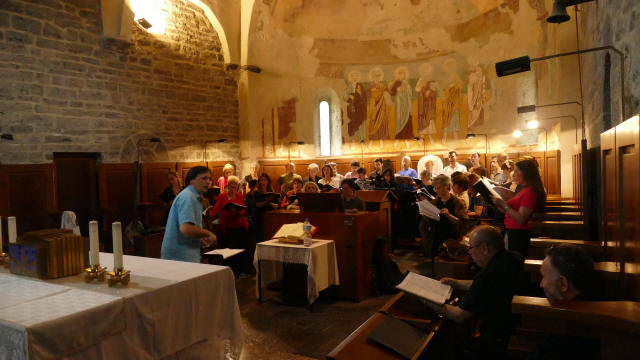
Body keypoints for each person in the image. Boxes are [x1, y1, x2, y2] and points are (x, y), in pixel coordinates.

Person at [426, 225, 524, 359]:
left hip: (499, 337)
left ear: (485, 248)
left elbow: (458, 315)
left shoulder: (489, 275)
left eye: (470, 248)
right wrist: (456, 283)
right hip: (514, 323)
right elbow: (484, 285)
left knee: (454, 349)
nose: (469, 253)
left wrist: (425, 298)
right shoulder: (512, 257)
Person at [529, 244, 598, 360]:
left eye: (544, 277)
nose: (541, 284)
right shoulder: (593, 302)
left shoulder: (566, 332)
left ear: (563, 284)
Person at [161, 166, 217, 263]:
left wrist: (199, 237)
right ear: (192, 180)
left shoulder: (193, 196)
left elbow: (188, 228)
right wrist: (208, 233)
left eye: (209, 179)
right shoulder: (188, 196)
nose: (208, 182)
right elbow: (186, 228)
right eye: (204, 178)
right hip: (179, 257)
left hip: (183, 254)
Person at [492, 159, 547, 258]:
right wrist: (497, 203)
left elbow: (521, 219)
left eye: (517, 171)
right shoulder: (524, 189)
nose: (513, 174)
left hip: (519, 233)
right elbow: (509, 212)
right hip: (513, 230)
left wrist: (503, 204)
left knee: (516, 262)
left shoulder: (530, 192)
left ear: (526, 173)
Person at [419, 174, 468, 257]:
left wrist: (449, 215)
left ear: (447, 187)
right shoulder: (435, 202)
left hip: (452, 235)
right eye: (435, 188)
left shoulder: (458, 202)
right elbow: (428, 221)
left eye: (439, 188)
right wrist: (425, 212)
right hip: (436, 234)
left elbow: (463, 223)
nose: (436, 191)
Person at [209, 176, 250, 273]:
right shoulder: (222, 197)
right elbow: (215, 211)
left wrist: (237, 212)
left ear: (237, 188)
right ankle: (229, 271)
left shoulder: (239, 196)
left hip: (239, 227)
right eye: (230, 187)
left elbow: (243, 210)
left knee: (240, 250)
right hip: (227, 228)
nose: (232, 189)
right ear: (227, 187)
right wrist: (210, 214)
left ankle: (239, 271)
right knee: (228, 251)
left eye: (234, 187)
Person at [246, 173, 279, 244]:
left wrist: (276, 205)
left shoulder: (271, 191)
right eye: (262, 180)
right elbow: (258, 205)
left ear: (268, 181)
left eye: (265, 180)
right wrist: (268, 200)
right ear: (259, 182)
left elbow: (277, 204)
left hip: (270, 219)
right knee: (261, 240)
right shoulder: (256, 192)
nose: (263, 182)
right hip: (259, 219)